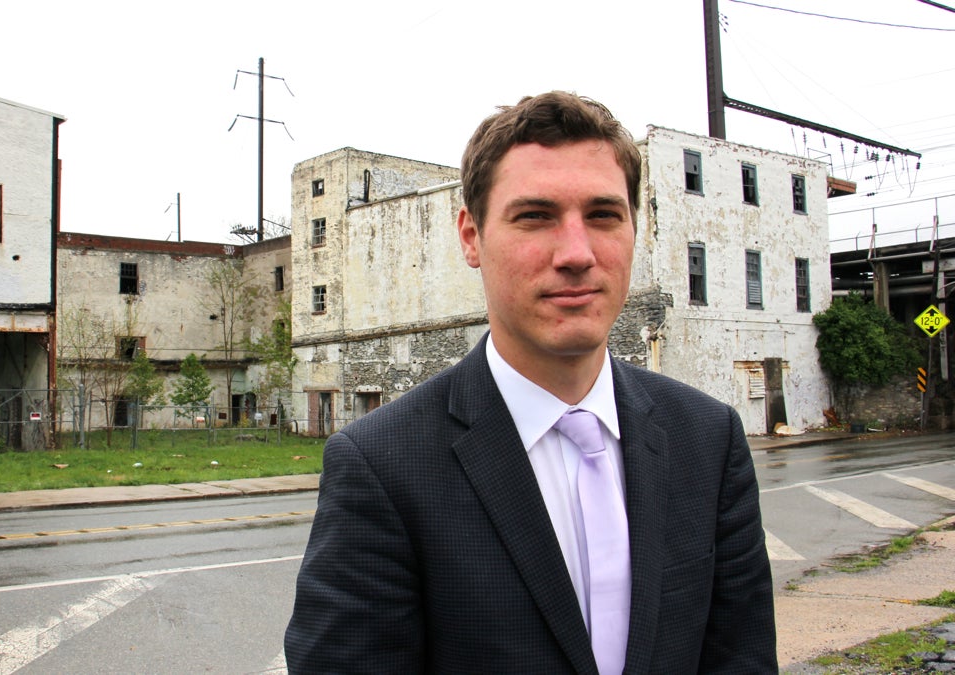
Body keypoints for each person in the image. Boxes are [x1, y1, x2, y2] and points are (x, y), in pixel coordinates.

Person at [284, 91, 776, 673]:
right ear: (471, 236)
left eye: (603, 215)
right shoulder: (383, 466)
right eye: (535, 216)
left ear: (635, 230)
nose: (576, 253)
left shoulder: (708, 439)